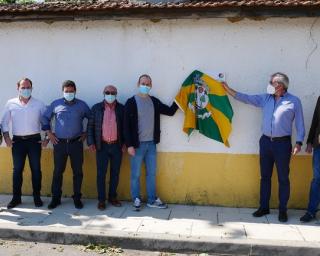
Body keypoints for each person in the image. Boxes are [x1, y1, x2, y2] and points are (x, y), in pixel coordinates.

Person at [223, 72, 305, 222]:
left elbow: (300, 124)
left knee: (283, 178)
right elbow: (246, 98)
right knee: (265, 177)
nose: (269, 84)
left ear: (280, 86)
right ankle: (264, 207)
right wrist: (228, 89)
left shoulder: (294, 101)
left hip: (283, 144)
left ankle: (282, 210)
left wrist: (299, 142)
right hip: (266, 142)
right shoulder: (265, 98)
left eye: (272, 82)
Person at [124, 74, 178, 211]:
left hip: (151, 144)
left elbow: (170, 111)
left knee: (151, 174)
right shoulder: (131, 102)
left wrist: (180, 99)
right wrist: (129, 145)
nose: (145, 86)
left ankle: (152, 200)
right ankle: (136, 199)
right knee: (135, 174)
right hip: (136, 146)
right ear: (138, 84)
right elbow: (125, 126)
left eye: (148, 84)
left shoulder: (154, 101)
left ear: (151, 86)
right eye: (143, 83)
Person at [42, 80, 90, 209]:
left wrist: (86, 133)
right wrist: (49, 134)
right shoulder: (55, 104)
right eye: (66, 91)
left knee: (78, 172)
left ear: (75, 91)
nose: (69, 93)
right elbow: (45, 118)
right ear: (63, 91)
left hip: (76, 144)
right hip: (60, 144)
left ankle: (77, 198)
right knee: (58, 172)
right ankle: (56, 198)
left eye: (71, 91)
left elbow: (92, 119)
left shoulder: (82, 105)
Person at [1, 78, 46, 209]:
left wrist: (46, 139)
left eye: (28, 87)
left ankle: (37, 197)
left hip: (34, 141)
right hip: (18, 142)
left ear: (32, 88)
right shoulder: (11, 103)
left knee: (36, 170)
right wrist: (6, 137)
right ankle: (16, 198)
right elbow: (4, 122)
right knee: (17, 171)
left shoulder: (39, 104)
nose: (26, 90)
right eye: (23, 87)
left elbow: (47, 122)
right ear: (18, 88)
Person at [87, 85, 125, 210]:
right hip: (101, 146)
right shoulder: (96, 108)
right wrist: (91, 142)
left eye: (113, 92)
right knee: (101, 174)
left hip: (116, 146)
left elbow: (125, 129)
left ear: (116, 94)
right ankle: (101, 200)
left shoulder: (121, 109)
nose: (110, 95)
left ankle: (112, 197)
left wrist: (125, 144)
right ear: (103, 93)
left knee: (115, 173)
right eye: (107, 92)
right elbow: (90, 127)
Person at [300, 96, 320, 222]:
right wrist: (309, 142)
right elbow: (316, 120)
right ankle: (311, 211)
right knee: (317, 179)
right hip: (319, 147)